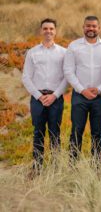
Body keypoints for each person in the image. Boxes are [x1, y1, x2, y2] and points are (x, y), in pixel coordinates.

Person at [22, 18, 67, 177]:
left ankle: (56, 170)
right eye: (45, 28)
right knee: (38, 133)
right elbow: (26, 77)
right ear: (41, 31)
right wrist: (40, 96)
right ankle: (37, 168)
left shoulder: (63, 52)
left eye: (51, 29)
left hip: (56, 98)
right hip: (38, 99)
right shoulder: (32, 52)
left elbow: (66, 78)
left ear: (55, 31)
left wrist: (54, 95)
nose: (48, 31)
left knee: (55, 133)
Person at [64, 15, 101, 161]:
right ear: (83, 27)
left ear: (99, 28)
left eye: (94, 26)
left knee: (97, 132)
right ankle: (73, 164)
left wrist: (100, 89)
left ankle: (96, 165)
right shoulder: (74, 46)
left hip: (99, 96)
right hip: (79, 96)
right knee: (76, 131)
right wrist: (82, 89)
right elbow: (68, 71)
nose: (91, 28)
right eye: (88, 26)